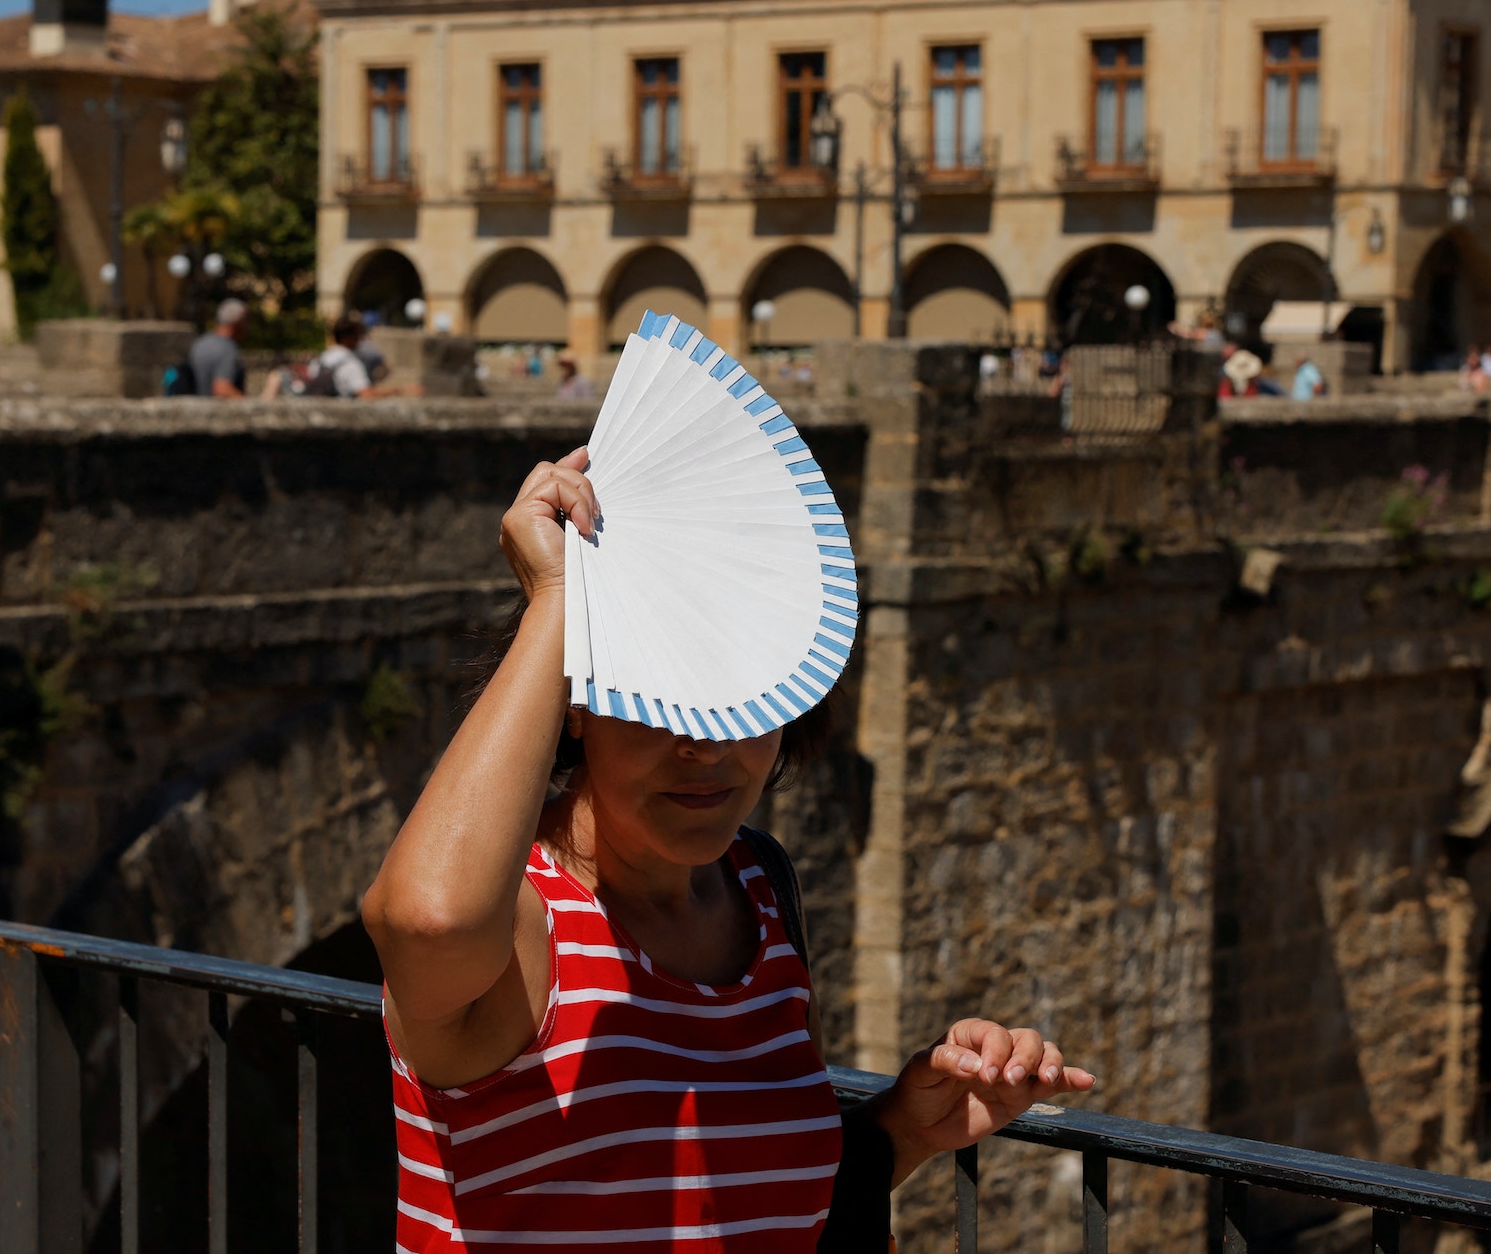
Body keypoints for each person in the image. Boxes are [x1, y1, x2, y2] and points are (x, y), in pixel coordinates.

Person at [365, 451, 1096, 1251]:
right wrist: (556, 599)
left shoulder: (759, 886)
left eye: (744, 702)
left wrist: (904, 1129)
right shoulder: (521, 916)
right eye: (659, 702)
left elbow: (720, 1200)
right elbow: (429, 921)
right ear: (577, 702)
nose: (704, 746)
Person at [299, 316, 375, 398]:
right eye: (358, 336)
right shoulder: (350, 363)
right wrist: (390, 392)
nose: (360, 340)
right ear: (347, 337)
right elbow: (366, 395)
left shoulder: (323, 357)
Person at [188, 298, 249, 398]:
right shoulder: (227, 348)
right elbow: (221, 388)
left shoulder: (200, 343)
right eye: (246, 321)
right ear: (238, 323)